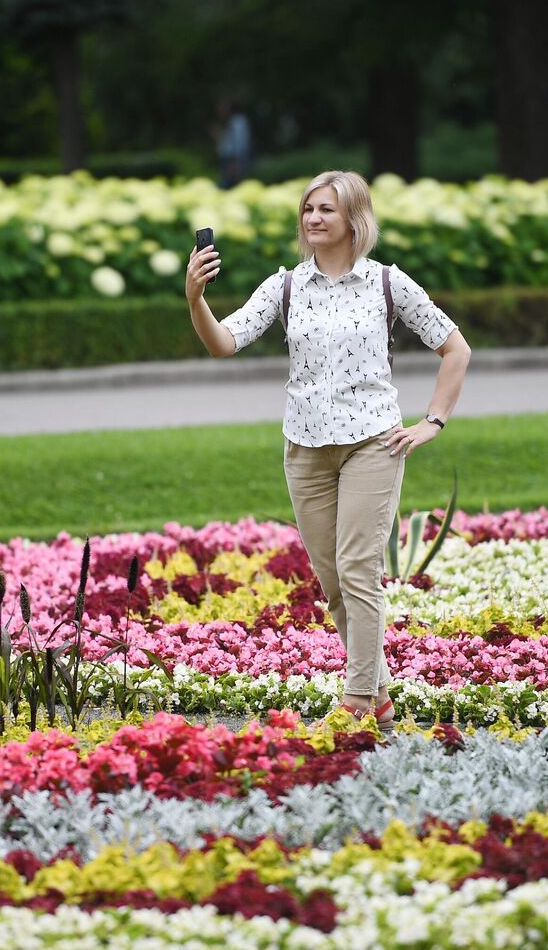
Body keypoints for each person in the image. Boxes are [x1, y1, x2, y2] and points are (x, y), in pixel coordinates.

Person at [184, 170, 471, 730]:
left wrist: (432, 421)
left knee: (359, 572)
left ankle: (358, 703)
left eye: (327, 210)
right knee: (334, 582)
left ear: (353, 220)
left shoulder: (388, 283)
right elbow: (224, 343)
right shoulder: (285, 286)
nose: (314, 218)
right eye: (308, 208)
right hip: (305, 451)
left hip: (372, 444)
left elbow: (454, 349)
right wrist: (196, 299)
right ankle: (381, 698)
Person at [214, 100, 251, 189]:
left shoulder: (237, 121)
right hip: (231, 158)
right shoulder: (234, 121)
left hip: (233, 159)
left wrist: (235, 161)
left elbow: (238, 142)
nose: (220, 111)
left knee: (229, 184)